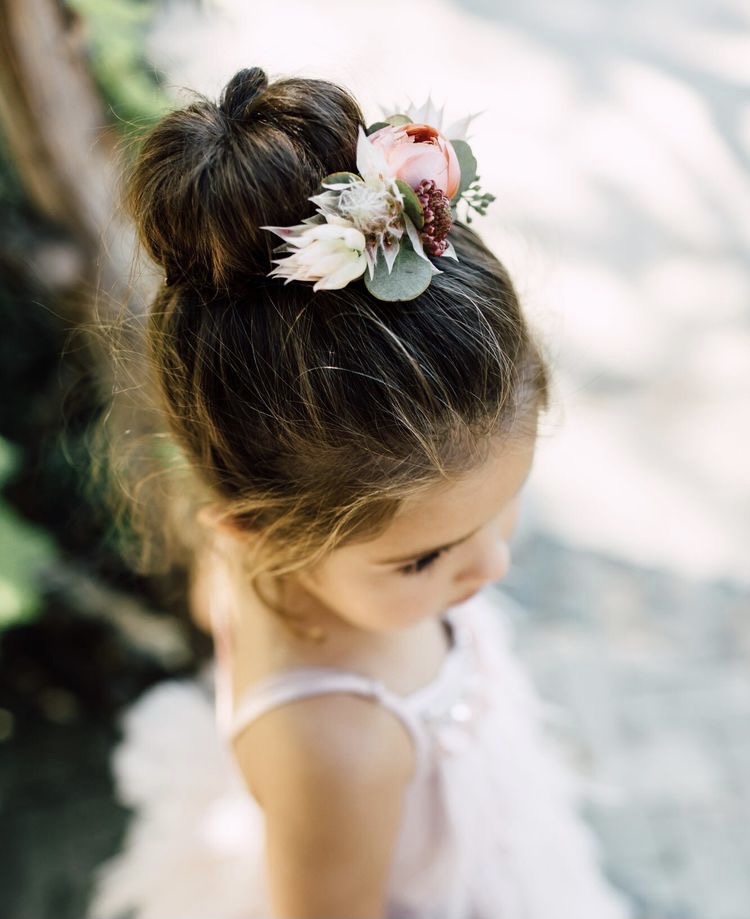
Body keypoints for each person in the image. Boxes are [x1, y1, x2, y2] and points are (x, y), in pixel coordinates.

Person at [89, 66, 632, 919]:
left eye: (500, 509)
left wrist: (420, 567)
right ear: (260, 532)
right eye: (424, 558)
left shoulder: (254, 549)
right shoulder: (333, 749)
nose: (491, 566)